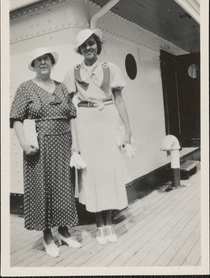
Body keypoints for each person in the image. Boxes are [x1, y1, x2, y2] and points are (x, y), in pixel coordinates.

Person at [10, 47, 81, 258]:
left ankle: (64, 231)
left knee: (64, 188)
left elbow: (71, 116)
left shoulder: (61, 88)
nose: (43, 63)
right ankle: (47, 235)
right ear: (33, 64)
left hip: (63, 144)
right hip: (38, 146)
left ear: (52, 63)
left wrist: (75, 143)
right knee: (42, 188)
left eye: (46, 59)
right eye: (38, 60)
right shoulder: (26, 88)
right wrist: (23, 142)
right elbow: (16, 118)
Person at [63, 28, 132, 245]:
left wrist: (128, 129)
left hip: (107, 121)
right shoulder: (72, 71)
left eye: (91, 43)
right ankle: (98, 224)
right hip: (86, 123)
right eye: (84, 45)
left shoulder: (110, 68)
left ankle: (108, 223)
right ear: (79, 49)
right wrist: (74, 139)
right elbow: (69, 107)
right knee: (91, 173)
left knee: (107, 171)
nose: (88, 48)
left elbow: (119, 100)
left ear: (97, 45)